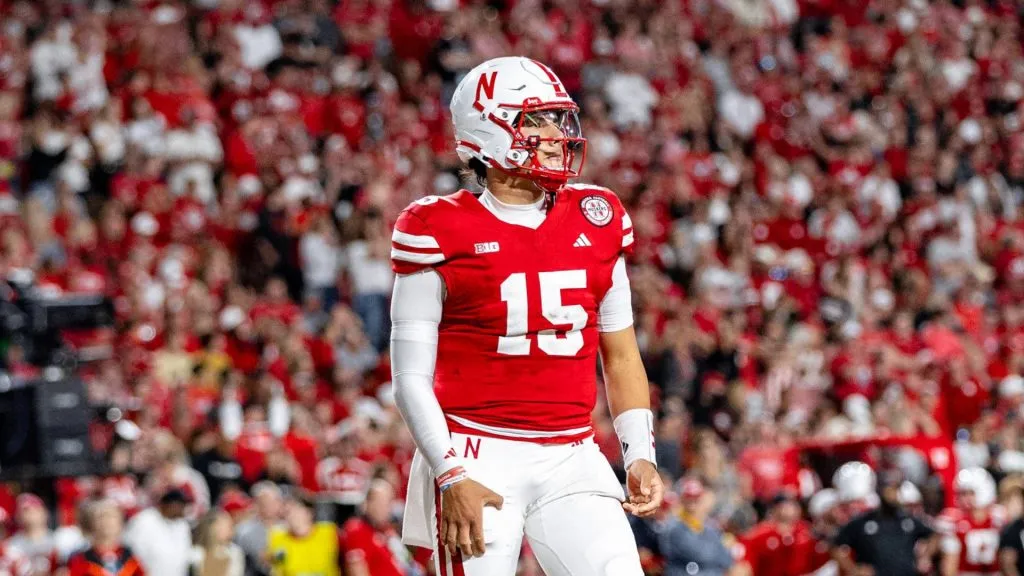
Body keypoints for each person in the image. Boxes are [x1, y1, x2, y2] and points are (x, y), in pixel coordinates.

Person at [389, 56, 663, 576]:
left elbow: (622, 355)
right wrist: (449, 474)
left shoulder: (596, 215)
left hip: (573, 451)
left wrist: (639, 455)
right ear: (487, 133)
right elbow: (409, 380)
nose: (558, 135)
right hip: (476, 449)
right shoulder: (437, 228)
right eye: (535, 122)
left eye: (557, 121)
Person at [832, 469, 937, 576]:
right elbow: (836, 545)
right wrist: (853, 569)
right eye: (891, 489)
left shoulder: (907, 520)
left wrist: (925, 557)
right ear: (880, 490)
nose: (895, 494)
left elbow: (934, 535)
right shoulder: (864, 521)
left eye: (897, 489)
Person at [340, 479, 424, 576]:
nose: (385, 509)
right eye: (380, 503)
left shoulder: (387, 532)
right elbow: (357, 572)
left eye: (388, 503)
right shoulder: (356, 530)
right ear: (367, 503)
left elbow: (409, 565)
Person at [937, 467, 1005, 576]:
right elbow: (949, 568)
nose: (965, 499)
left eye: (970, 493)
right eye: (962, 493)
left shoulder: (999, 517)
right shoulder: (953, 521)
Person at [659, 478, 734, 576]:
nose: (692, 505)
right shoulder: (673, 526)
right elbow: (700, 554)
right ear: (682, 501)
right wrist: (722, 547)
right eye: (688, 500)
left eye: (696, 500)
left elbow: (726, 559)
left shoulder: (709, 528)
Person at [122, 488, 192, 576]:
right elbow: (129, 552)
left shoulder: (182, 525)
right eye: (180, 505)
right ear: (167, 504)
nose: (183, 509)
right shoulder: (144, 520)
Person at [266, 494, 339, 576]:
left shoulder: (329, 532)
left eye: (296, 510)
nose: (291, 516)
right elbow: (275, 568)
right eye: (287, 513)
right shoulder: (278, 538)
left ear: (309, 512)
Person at [67, 500, 145, 576]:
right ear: (90, 523)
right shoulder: (79, 560)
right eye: (101, 517)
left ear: (120, 522)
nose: (106, 521)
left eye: (111, 516)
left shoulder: (131, 558)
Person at [191, 510, 245, 576]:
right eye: (228, 527)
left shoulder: (234, 552)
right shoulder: (196, 553)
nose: (232, 532)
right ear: (213, 527)